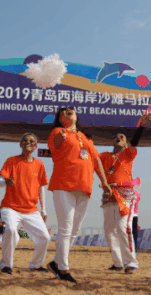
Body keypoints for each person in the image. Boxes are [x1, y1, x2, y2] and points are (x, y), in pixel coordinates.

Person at [46, 106, 112, 284]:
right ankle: (63, 269)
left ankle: (56, 263)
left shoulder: (85, 137)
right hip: (63, 185)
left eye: (72, 110)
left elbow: (96, 160)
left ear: (76, 116)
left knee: (74, 230)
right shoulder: (57, 132)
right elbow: (56, 144)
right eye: (65, 111)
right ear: (60, 118)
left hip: (84, 186)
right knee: (66, 229)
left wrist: (105, 182)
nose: (69, 111)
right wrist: (63, 133)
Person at [99, 114, 151, 274]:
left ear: (126, 144)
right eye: (116, 137)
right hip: (108, 196)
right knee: (109, 231)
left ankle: (132, 263)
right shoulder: (104, 156)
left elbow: (135, 142)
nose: (118, 138)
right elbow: (91, 156)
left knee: (123, 227)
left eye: (122, 137)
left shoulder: (128, 154)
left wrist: (141, 127)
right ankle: (118, 263)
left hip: (124, 196)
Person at [0, 133, 50, 274]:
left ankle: (36, 265)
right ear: (20, 144)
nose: (28, 143)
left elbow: (41, 188)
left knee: (45, 238)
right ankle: (6, 265)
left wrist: (43, 209)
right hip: (10, 207)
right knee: (11, 230)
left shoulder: (39, 165)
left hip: (31, 209)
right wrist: (5, 182)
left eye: (31, 141)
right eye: (25, 140)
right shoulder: (11, 161)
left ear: (35, 146)